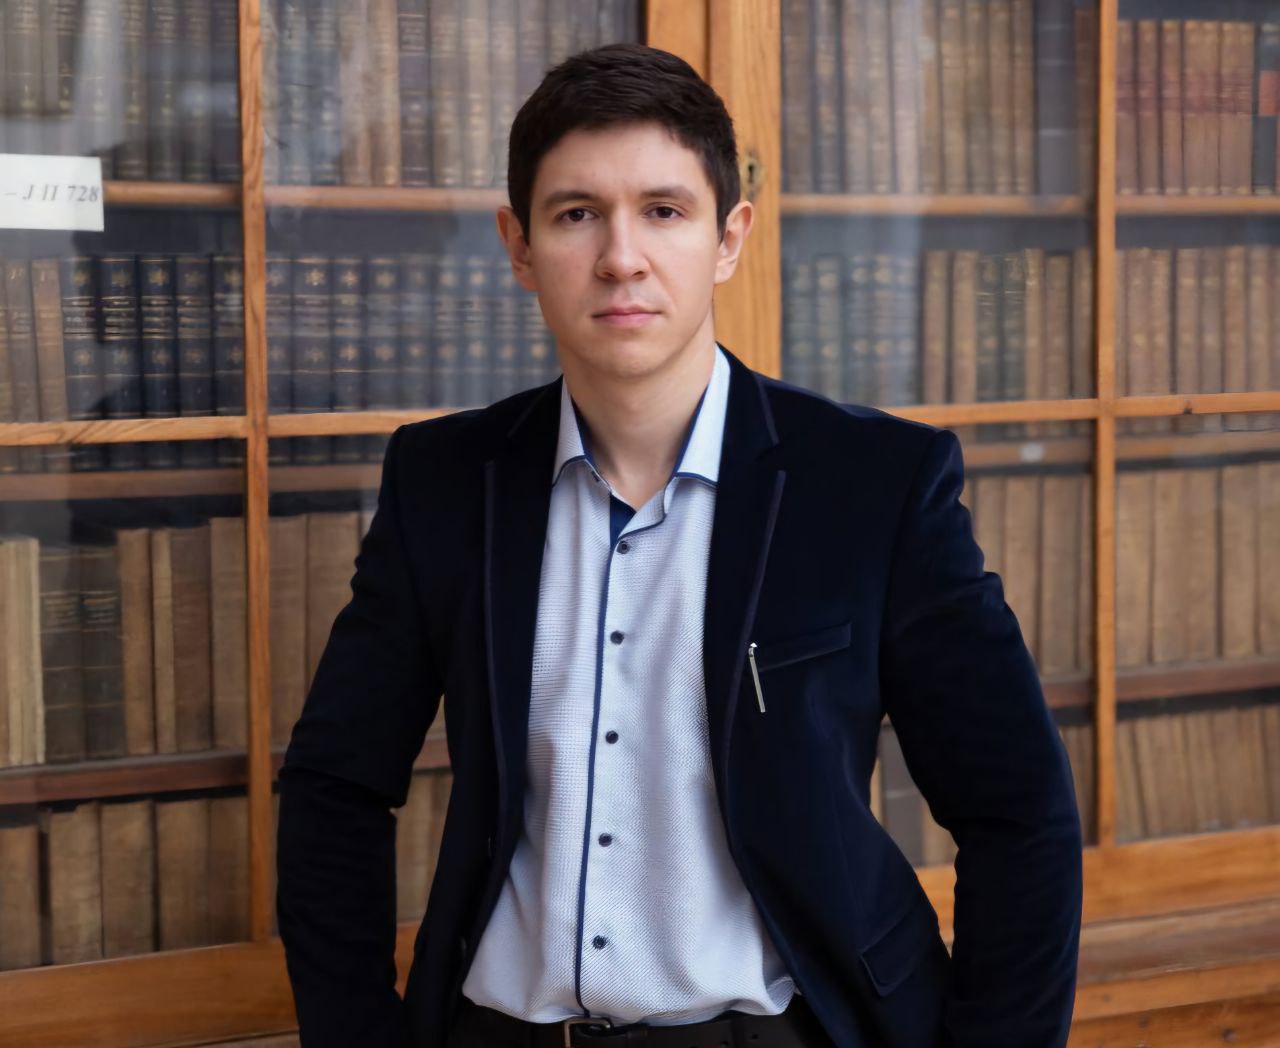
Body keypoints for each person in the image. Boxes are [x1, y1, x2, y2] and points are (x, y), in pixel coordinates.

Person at [276, 42, 1084, 1048]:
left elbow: (1018, 811)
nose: (621, 256)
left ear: (728, 236)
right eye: (577, 214)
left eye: (663, 210)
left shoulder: (875, 485)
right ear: (518, 246)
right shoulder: (444, 482)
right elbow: (335, 789)